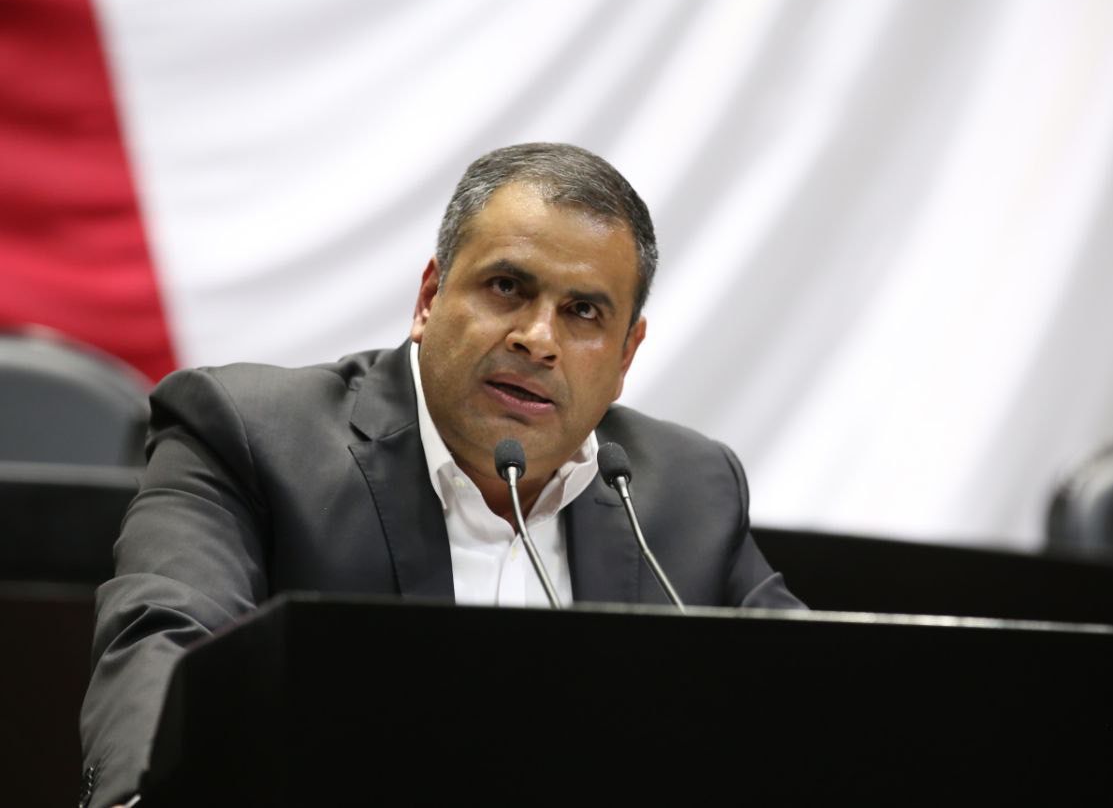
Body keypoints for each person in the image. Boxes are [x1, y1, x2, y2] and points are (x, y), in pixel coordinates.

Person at [78, 142, 804, 807]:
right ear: (429, 298)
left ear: (624, 357)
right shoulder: (251, 435)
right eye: (507, 287)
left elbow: (818, 693)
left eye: (583, 311)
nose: (538, 339)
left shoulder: (686, 491)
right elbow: (163, 647)